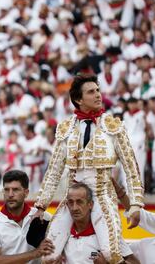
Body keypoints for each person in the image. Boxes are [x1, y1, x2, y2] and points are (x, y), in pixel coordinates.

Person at [33, 73, 144, 263]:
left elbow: (131, 168)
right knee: (49, 255)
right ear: (78, 99)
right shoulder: (66, 128)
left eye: (98, 90)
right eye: (91, 92)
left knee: (111, 254)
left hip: (102, 197)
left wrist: (135, 204)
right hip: (73, 198)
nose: (98, 95)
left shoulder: (113, 126)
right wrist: (41, 205)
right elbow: (54, 171)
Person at [0, 170, 54, 264]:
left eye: (15, 190)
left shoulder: (43, 217)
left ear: (26, 193)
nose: (10, 194)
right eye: (7, 190)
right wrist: (35, 253)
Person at [54, 183, 139, 264]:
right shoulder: (61, 233)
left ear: (90, 204)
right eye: (71, 202)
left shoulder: (108, 234)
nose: (74, 208)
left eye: (79, 202)